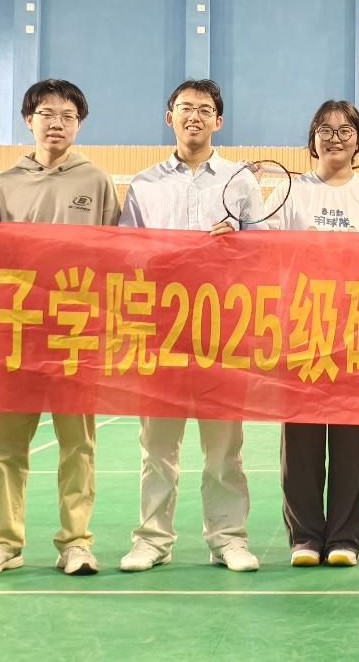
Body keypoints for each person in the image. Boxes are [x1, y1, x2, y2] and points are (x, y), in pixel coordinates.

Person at [0, 79, 120, 577]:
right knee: (6, 447)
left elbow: (116, 256)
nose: (57, 123)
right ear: (29, 120)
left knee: (78, 445)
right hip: (16, 333)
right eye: (47, 114)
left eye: (68, 115)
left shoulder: (96, 181)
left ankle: (76, 542)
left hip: (75, 333)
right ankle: (3, 543)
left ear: (79, 124)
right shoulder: (5, 183)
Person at [118, 80, 262, 574]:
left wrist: (238, 242)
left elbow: (264, 253)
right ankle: (152, 540)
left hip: (224, 330)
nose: (194, 116)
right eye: (185, 108)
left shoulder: (241, 181)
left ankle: (228, 539)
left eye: (204, 109)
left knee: (224, 449)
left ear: (218, 121)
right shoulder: (144, 184)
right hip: (161, 332)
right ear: (170, 117)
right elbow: (125, 253)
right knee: (157, 447)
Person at [267, 99, 359, 567]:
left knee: (350, 440)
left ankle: (344, 537)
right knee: (300, 439)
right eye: (325, 130)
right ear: (313, 139)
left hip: (357, 332)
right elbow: (265, 253)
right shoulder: (289, 193)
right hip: (302, 328)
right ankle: (304, 537)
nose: (335, 138)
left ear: (358, 140)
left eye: (346, 130)